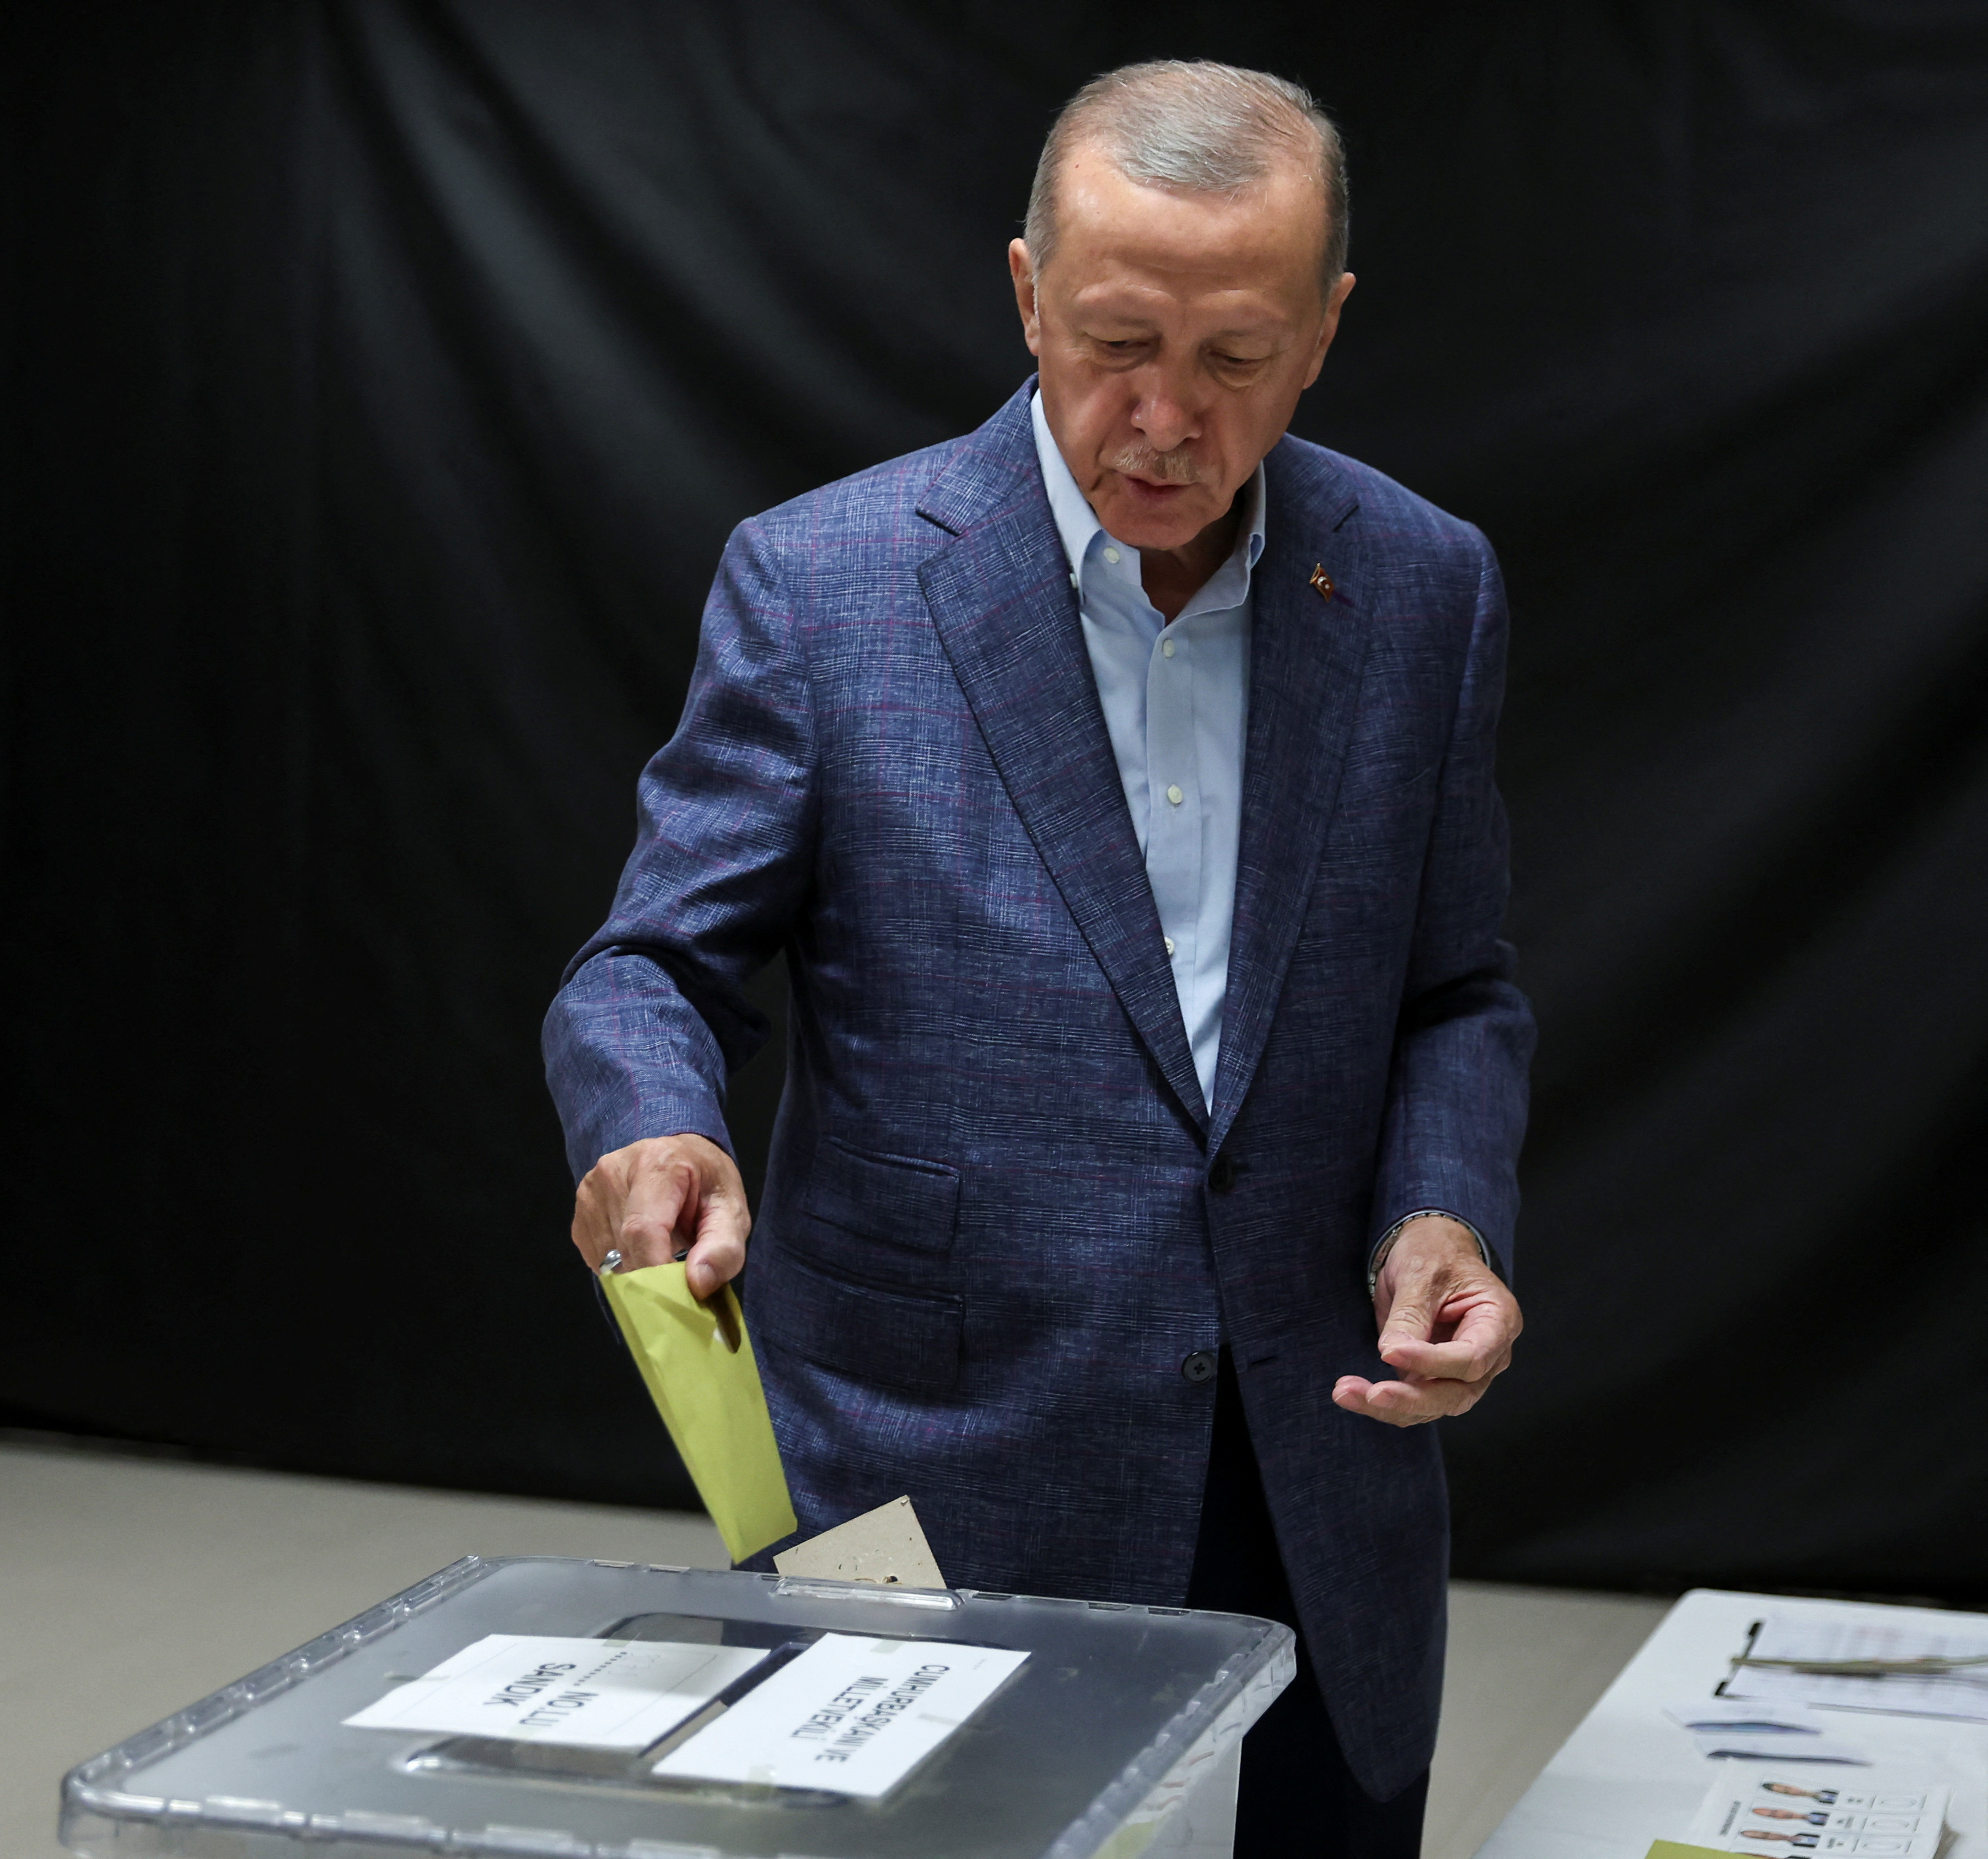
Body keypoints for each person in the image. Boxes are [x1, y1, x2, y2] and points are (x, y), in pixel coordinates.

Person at [544, 59, 1531, 1859]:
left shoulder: (1420, 586)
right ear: (1021, 294)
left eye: (1234, 358)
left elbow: (1457, 989)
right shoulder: (825, 582)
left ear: (1324, 331)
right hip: (936, 1467)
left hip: (1315, 1466)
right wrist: (651, 1124)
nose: (1160, 418)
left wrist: (1442, 1212)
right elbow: (646, 966)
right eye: (1110, 342)